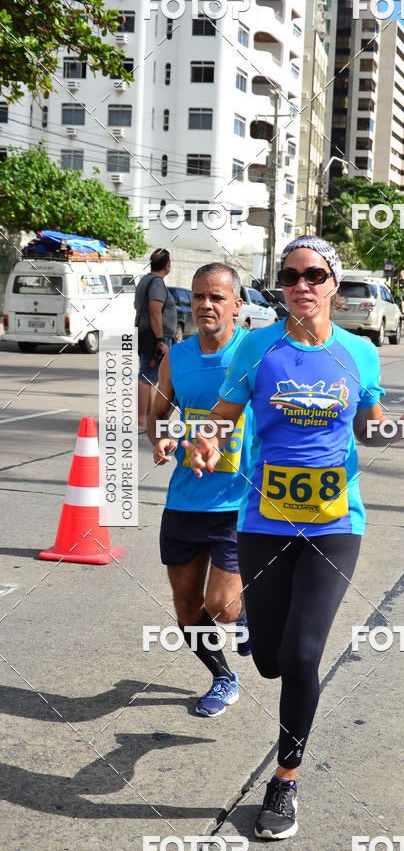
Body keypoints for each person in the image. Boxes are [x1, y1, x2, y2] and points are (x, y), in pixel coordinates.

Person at [182, 236, 404, 840]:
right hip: (263, 522)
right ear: (282, 284)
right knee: (270, 661)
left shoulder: (360, 352)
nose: (302, 285)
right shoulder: (257, 347)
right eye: (291, 275)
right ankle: (259, 633)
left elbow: (370, 433)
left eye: (315, 275)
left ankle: (285, 780)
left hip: (335, 524)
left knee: (303, 657)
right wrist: (203, 444)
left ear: (333, 283)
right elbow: (220, 422)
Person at [148, 263, 253, 716]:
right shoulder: (177, 358)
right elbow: (157, 415)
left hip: (239, 502)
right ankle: (223, 677)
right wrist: (161, 439)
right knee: (188, 607)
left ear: (237, 304)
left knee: (223, 606)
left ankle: (246, 614)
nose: (205, 305)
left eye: (216, 297)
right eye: (198, 296)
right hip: (186, 500)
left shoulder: (254, 352)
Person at [135, 249, 177, 429]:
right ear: (167, 265)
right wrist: (160, 340)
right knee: (146, 375)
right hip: (155, 336)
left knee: (150, 376)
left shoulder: (146, 279)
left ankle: (149, 416)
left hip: (147, 333)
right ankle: (142, 419)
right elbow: (155, 311)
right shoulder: (157, 283)